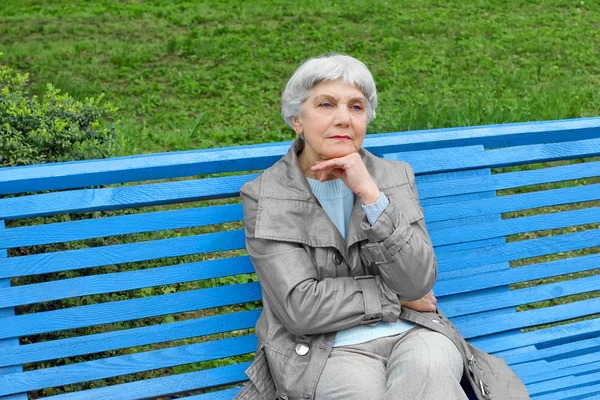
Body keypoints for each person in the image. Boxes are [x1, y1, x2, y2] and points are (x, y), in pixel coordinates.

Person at [235, 54, 467, 400]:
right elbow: (301, 308)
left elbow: (419, 280)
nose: (343, 118)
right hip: (322, 351)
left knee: (431, 373)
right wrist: (397, 297)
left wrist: (372, 196)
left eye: (356, 107)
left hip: (414, 332)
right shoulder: (266, 195)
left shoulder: (393, 177)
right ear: (297, 118)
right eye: (326, 104)